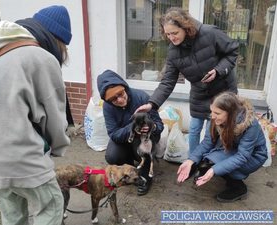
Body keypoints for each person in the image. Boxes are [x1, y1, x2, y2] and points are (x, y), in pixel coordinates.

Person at [0, 5, 72, 225]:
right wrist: (57, 149)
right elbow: (55, 122)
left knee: (11, 212)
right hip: (18, 157)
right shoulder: (41, 58)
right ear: (59, 41)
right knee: (51, 205)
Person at [135, 7, 239, 154]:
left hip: (222, 91)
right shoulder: (173, 52)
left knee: (213, 131)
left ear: (185, 27)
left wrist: (218, 70)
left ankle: (209, 162)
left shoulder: (209, 33)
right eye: (168, 34)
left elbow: (232, 51)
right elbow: (167, 81)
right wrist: (152, 103)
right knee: (195, 128)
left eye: (175, 33)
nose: (171, 38)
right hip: (199, 91)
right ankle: (192, 160)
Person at [177, 92, 268, 202]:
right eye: (211, 111)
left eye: (217, 113)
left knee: (216, 164)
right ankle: (218, 170)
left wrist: (214, 169)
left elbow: (242, 156)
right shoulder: (216, 118)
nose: (212, 116)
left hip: (253, 156)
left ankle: (238, 188)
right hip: (232, 148)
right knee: (207, 160)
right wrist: (190, 160)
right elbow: (207, 143)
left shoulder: (250, 124)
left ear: (230, 113)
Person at [97, 69, 164, 196]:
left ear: (124, 88)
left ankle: (145, 177)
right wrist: (132, 127)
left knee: (143, 150)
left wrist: (152, 127)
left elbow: (160, 125)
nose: (120, 100)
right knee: (112, 156)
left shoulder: (142, 97)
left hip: (144, 139)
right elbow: (113, 134)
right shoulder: (108, 107)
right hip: (125, 138)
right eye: (114, 99)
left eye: (121, 94)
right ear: (108, 101)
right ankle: (130, 167)